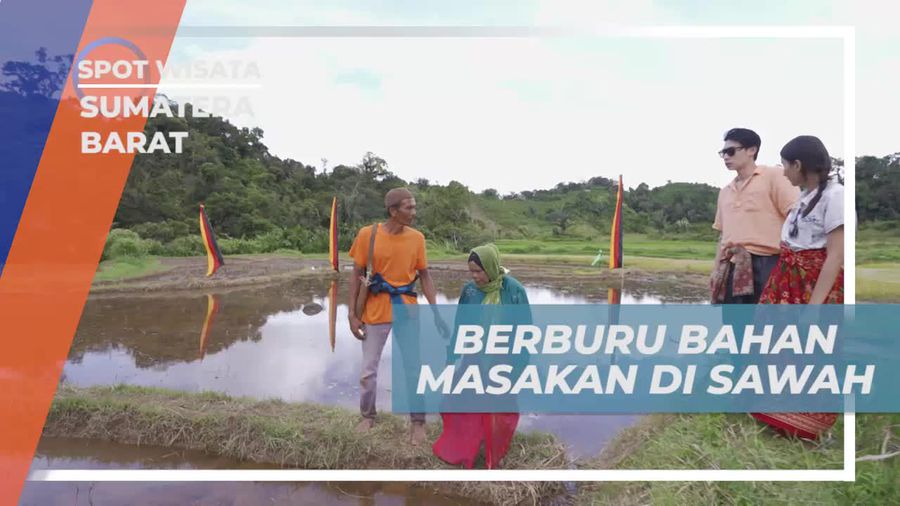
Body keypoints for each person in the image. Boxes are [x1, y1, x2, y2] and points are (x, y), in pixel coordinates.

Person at [751, 135, 844, 439]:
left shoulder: (836, 196)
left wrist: (813, 308)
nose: (783, 172)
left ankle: (809, 427)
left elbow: (835, 256)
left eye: (785, 165)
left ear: (798, 164)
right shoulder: (805, 196)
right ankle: (778, 418)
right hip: (787, 283)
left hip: (811, 286)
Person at [348, 187, 439, 445]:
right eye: (409, 207)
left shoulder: (417, 238)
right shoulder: (368, 235)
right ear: (393, 211)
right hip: (374, 310)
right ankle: (367, 416)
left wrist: (436, 312)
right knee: (368, 371)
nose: (414, 212)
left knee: (413, 368)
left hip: (407, 310)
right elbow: (355, 275)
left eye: (414, 207)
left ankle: (418, 422)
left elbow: (425, 276)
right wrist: (352, 315)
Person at [432, 243, 529, 469]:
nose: (474, 276)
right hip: (474, 357)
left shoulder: (513, 291)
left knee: (498, 406)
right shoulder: (470, 291)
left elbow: (525, 331)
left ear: (492, 267)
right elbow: (461, 325)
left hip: (502, 360)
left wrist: (520, 365)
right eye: (471, 272)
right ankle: (464, 450)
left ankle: (493, 453)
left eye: (479, 271)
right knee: (464, 402)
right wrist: (452, 355)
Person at [711, 128, 800, 303]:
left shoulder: (774, 176)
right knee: (735, 325)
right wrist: (716, 271)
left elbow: (796, 218)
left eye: (731, 151)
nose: (726, 157)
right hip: (733, 265)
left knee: (768, 324)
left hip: (769, 263)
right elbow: (723, 236)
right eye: (723, 153)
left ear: (752, 150)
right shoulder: (725, 192)